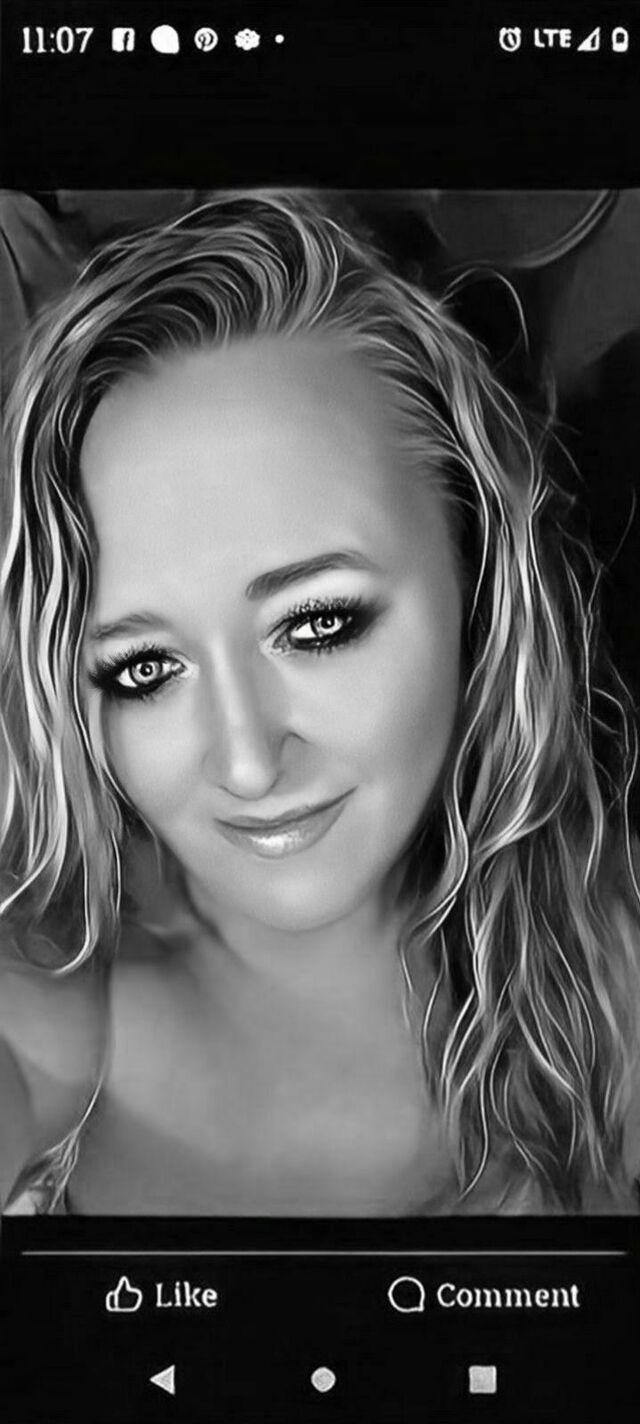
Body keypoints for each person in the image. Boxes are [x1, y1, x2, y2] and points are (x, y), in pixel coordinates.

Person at [1, 189, 639, 1217]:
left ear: (474, 565)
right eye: (143, 669)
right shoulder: (60, 997)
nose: (247, 760)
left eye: (317, 623)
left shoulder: (598, 950)